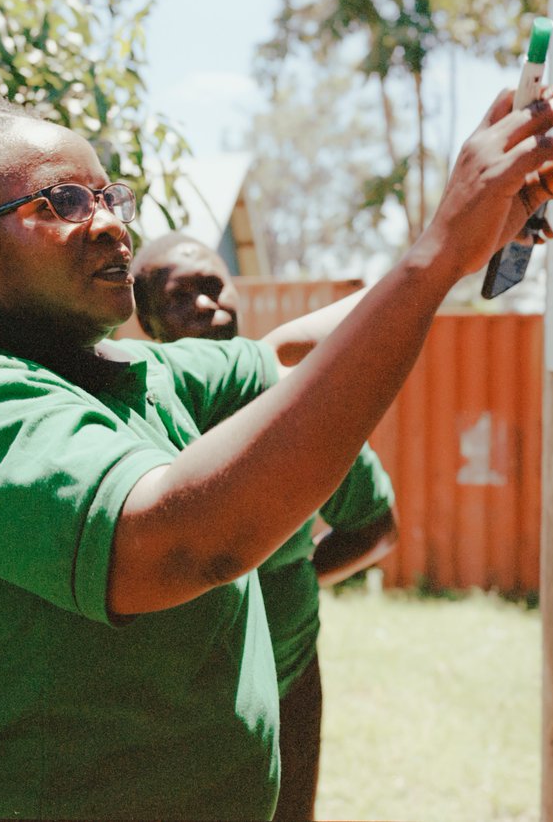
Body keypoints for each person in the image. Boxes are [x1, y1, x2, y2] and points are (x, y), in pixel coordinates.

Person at [0, 54, 553, 819]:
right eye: (61, 201)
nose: (108, 221)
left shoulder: (140, 374)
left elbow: (289, 356)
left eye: (110, 195)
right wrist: (435, 250)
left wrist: (465, 247)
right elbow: (182, 542)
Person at [132, 233, 398, 821]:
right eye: (182, 296)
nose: (207, 305)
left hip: (287, 676)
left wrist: (288, 573)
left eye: (214, 287)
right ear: (148, 323)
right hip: (174, 700)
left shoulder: (294, 399)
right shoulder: (133, 410)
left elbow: (375, 527)